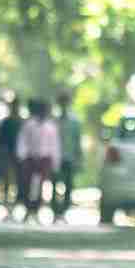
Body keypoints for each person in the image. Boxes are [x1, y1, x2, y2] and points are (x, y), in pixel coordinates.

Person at [16, 99, 61, 224]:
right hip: (30, 158)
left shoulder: (51, 127)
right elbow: (22, 141)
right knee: (27, 185)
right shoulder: (29, 125)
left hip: (44, 160)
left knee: (41, 186)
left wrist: (55, 161)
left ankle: (36, 210)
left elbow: (55, 145)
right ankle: (28, 209)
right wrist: (22, 156)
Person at [50, 92, 82, 223]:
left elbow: (77, 141)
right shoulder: (53, 121)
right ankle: (55, 211)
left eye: (65, 102)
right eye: (61, 102)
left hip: (69, 158)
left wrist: (79, 159)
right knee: (54, 185)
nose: (63, 105)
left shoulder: (75, 122)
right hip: (55, 158)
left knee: (68, 186)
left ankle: (63, 211)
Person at [0, 96, 24, 220]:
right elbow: (0, 141)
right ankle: (8, 209)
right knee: (7, 183)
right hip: (8, 156)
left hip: (20, 157)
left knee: (19, 183)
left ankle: (14, 208)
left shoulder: (22, 122)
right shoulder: (6, 122)